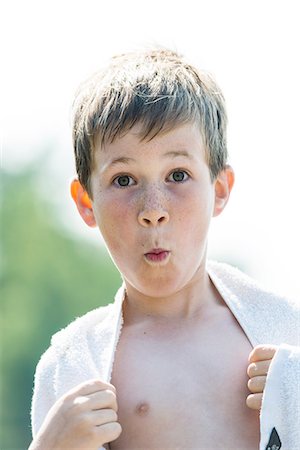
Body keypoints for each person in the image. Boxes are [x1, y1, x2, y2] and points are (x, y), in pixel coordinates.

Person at [29, 48, 299, 450]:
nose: (153, 211)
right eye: (124, 180)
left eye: (177, 175)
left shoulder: (285, 340)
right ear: (86, 203)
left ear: (219, 190)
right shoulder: (74, 367)